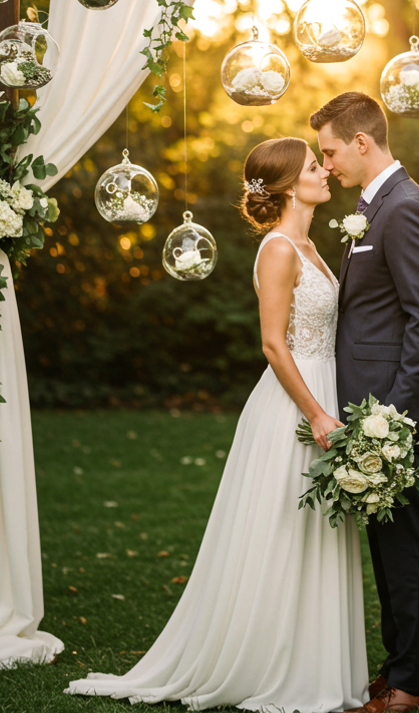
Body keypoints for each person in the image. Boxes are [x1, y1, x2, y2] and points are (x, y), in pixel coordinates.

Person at [66, 136, 368, 713]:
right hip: (297, 403)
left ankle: (315, 659)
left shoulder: (309, 242)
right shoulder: (279, 249)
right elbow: (274, 345)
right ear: (285, 187)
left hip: (325, 389)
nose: (325, 171)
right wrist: (318, 414)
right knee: (284, 530)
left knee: (318, 533)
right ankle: (273, 662)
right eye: (313, 166)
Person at [311, 92, 419, 713]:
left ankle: (413, 689)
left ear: (362, 143)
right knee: (388, 550)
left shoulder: (405, 209)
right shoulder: (375, 206)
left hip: (394, 413)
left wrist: (392, 419)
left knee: (407, 550)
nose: (327, 164)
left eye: (330, 151)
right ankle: (397, 672)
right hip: (373, 412)